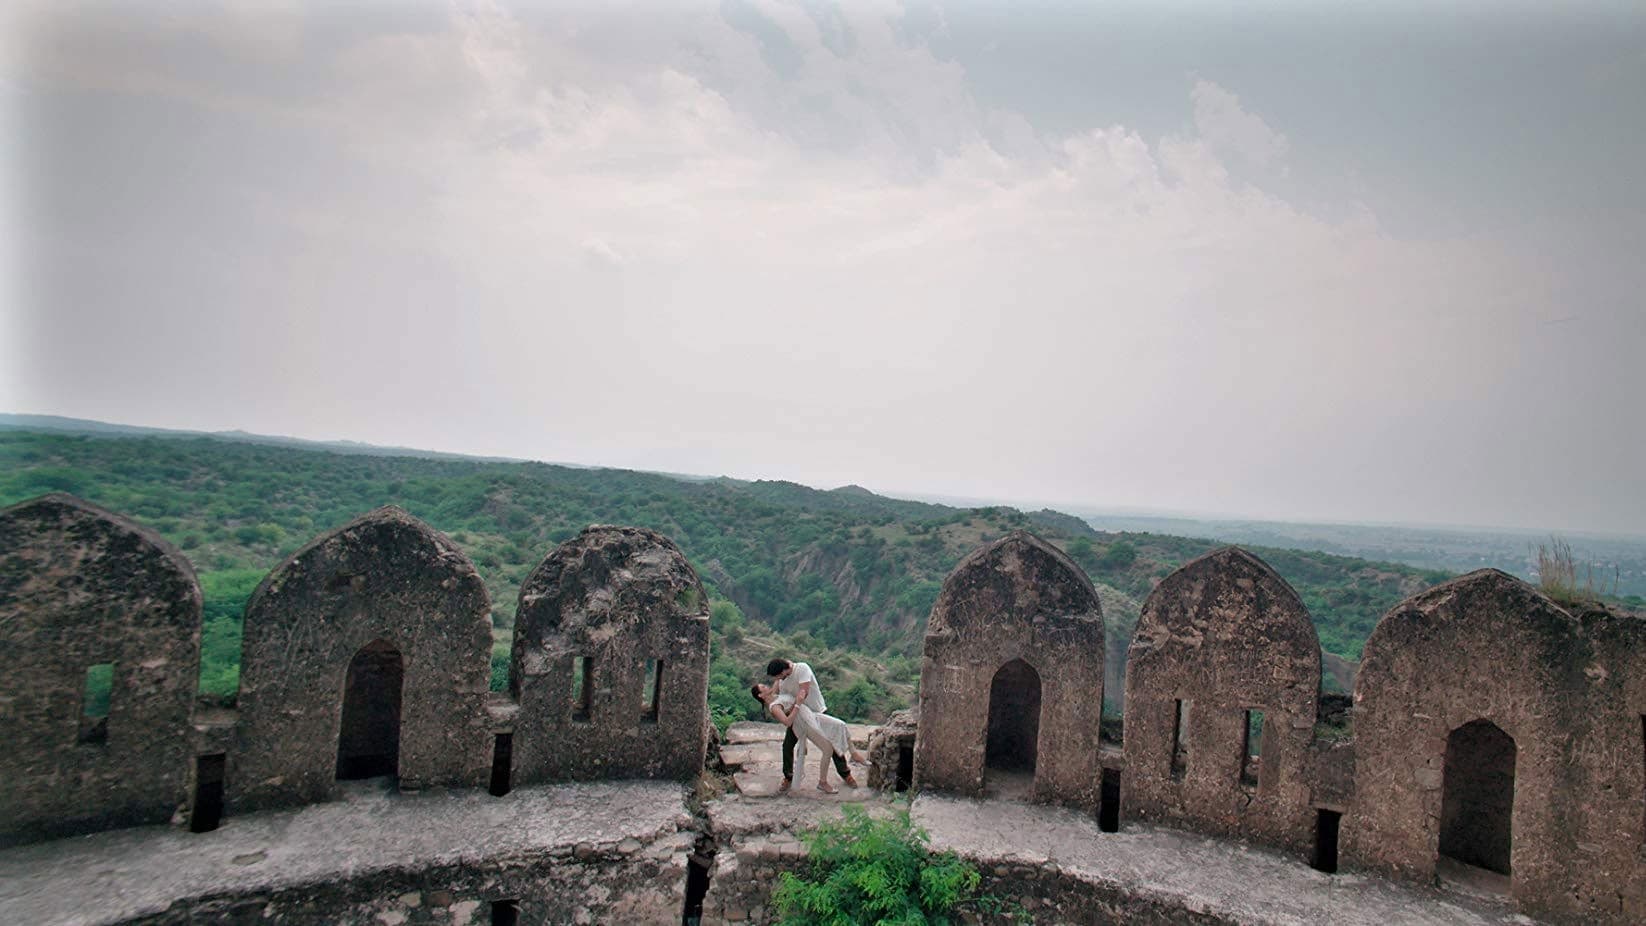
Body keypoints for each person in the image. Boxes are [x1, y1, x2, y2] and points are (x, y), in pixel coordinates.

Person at [751, 683, 866, 793]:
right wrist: (797, 704)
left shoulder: (775, 694)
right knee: (827, 749)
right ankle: (822, 782)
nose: (767, 686)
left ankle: (854, 754)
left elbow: (778, 677)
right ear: (761, 695)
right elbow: (787, 722)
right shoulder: (774, 707)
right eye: (763, 687)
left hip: (811, 715)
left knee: (840, 725)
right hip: (804, 722)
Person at [768, 657, 859, 792]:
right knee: (787, 745)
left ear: (783, 670)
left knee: (832, 742)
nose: (778, 679)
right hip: (800, 717)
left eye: (778, 676)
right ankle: (788, 776)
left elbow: (804, 692)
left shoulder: (802, 668)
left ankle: (845, 773)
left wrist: (795, 705)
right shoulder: (782, 682)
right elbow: (784, 700)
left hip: (816, 711)